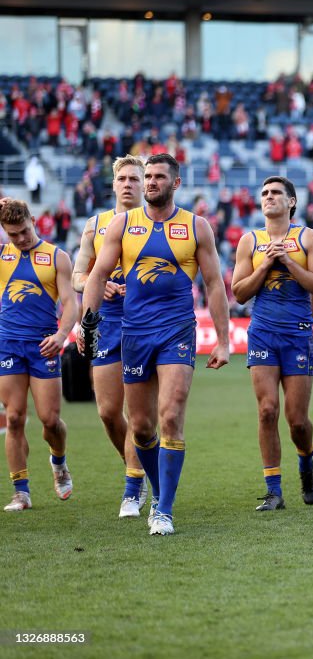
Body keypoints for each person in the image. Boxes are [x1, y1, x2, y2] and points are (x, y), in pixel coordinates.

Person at [80, 153, 231, 535]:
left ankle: (163, 510)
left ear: (175, 183)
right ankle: (159, 487)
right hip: (134, 334)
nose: (150, 182)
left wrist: (224, 340)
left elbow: (213, 284)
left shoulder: (197, 227)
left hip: (177, 331)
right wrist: (87, 323)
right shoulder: (122, 224)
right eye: (147, 176)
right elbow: (96, 276)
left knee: (170, 415)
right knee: (143, 427)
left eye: (158, 176)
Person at [231, 176, 313, 511]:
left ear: (292, 202)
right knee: (267, 409)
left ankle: (306, 464)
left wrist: (286, 261)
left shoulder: (309, 238)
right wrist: (267, 264)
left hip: (297, 334)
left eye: (276, 193)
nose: (268, 197)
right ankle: (273, 490)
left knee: (297, 420)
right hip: (262, 333)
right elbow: (240, 293)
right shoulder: (249, 241)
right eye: (264, 193)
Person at [71, 155, 147, 517]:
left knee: (138, 411)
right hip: (107, 322)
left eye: (136, 178)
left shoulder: (154, 223)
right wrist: (99, 287)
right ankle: (135, 462)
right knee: (107, 412)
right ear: (114, 184)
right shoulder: (95, 224)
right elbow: (77, 277)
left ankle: (133, 485)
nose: (129, 183)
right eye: (123, 178)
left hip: (146, 323)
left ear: (145, 184)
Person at [0, 200, 77, 512]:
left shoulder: (57, 257)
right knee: (14, 417)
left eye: (25, 231)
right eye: (13, 234)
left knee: (50, 420)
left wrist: (61, 335)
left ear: (34, 220)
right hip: (8, 344)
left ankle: (58, 462)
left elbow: (71, 303)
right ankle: (21, 492)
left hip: (44, 345)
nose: (21, 238)